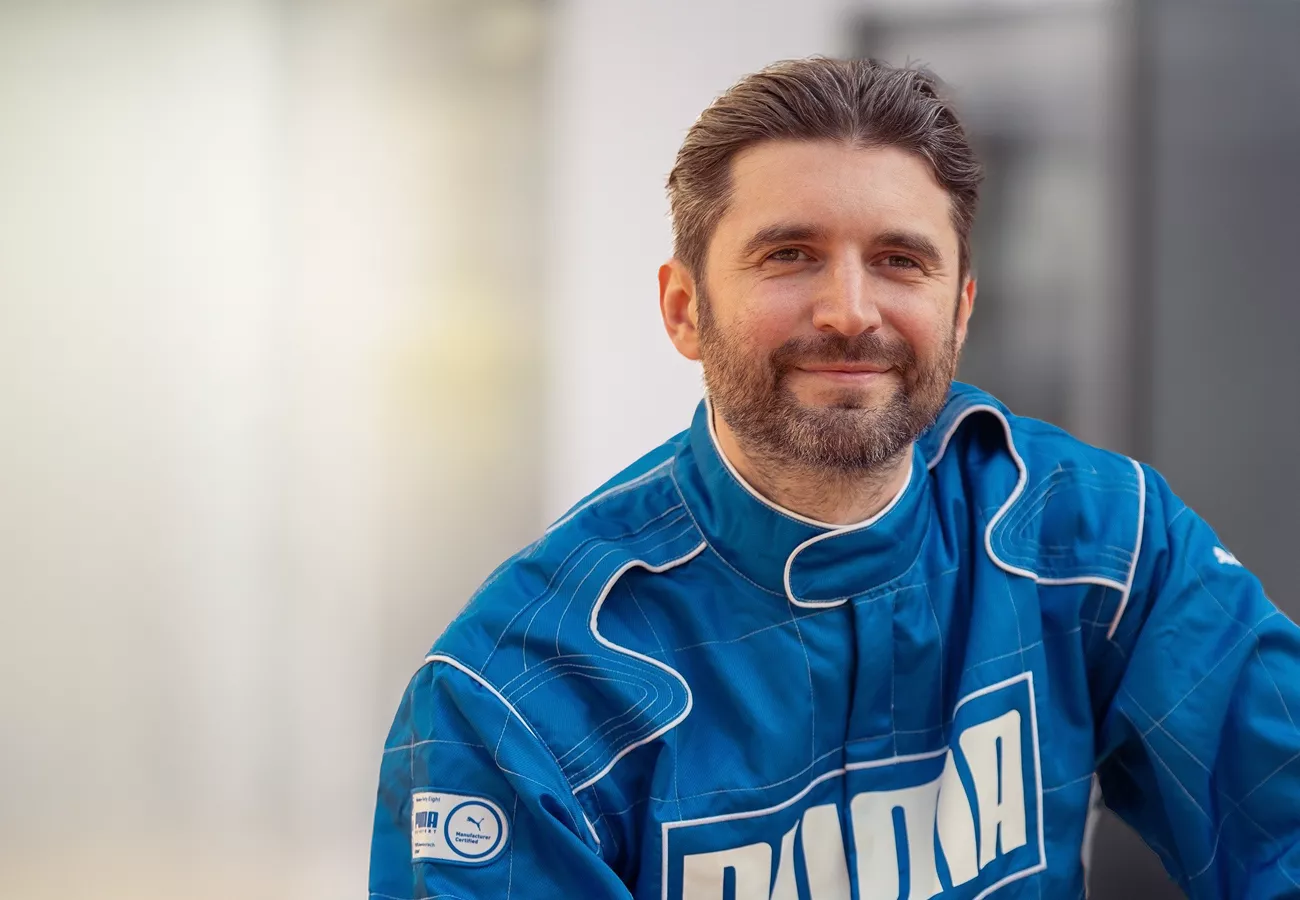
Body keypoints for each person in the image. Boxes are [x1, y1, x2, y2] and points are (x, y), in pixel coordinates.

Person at [368, 57, 1300, 899]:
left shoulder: (1099, 538)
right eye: (789, 255)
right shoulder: (515, 698)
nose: (851, 312)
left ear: (961, 306)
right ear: (685, 309)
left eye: (900, 260)